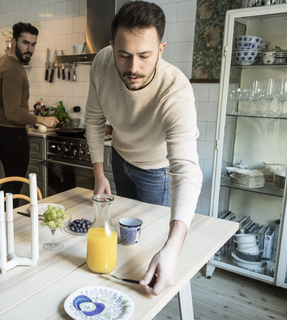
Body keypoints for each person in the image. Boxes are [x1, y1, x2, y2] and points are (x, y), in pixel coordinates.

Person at [84, 1, 202, 296]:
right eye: (123, 55)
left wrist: (173, 248)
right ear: (112, 47)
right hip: (120, 157)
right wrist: (100, 173)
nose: (133, 68)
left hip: (157, 172)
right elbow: (95, 120)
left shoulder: (175, 91)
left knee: (153, 246)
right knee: (125, 242)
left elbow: (186, 170)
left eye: (144, 56)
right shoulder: (101, 62)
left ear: (161, 50)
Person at [0, 22, 58, 208]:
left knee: (12, 183)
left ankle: (3, 224)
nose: (30, 49)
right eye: (25, 43)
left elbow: (12, 108)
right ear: (13, 41)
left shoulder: (7, 61)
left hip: (0, 131)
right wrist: (42, 119)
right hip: (11, 134)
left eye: (33, 44)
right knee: (13, 184)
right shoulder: (13, 69)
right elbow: (13, 113)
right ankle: (3, 225)